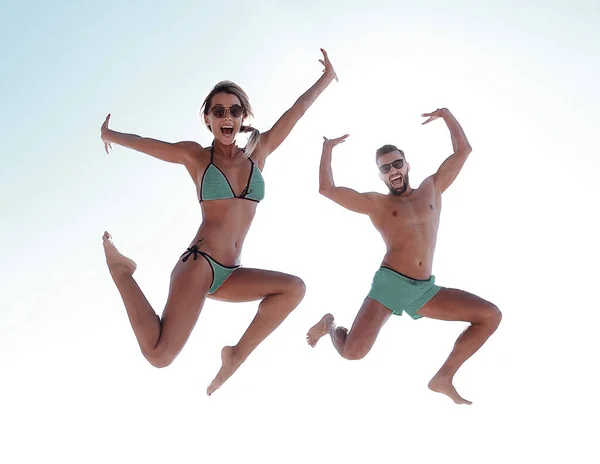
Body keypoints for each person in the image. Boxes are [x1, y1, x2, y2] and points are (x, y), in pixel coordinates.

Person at [101, 49, 338, 396]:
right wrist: (110, 135)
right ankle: (122, 271)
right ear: (208, 119)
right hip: (200, 264)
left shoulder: (259, 153)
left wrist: (327, 78)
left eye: (235, 110)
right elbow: (148, 144)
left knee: (293, 289)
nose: (227, 116)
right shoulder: (197, 156)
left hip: (232, 273)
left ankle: (235, 355)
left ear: (243, 117)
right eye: (219, 111)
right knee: (159, 354)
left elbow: (296, 111)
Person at [306, 108, 502, 405]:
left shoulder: (432, 188)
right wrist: (326, 149)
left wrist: (446, 115)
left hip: (424, 290)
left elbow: (464, 150)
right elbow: (327, 189)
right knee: (352, 353)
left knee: (490, 316)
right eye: (385, 168)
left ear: (407, 164)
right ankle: (329, 324)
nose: (393, 171)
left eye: (397, 163)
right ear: (381, 175)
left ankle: (444, 377)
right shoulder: (377, 204)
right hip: (390, 285)